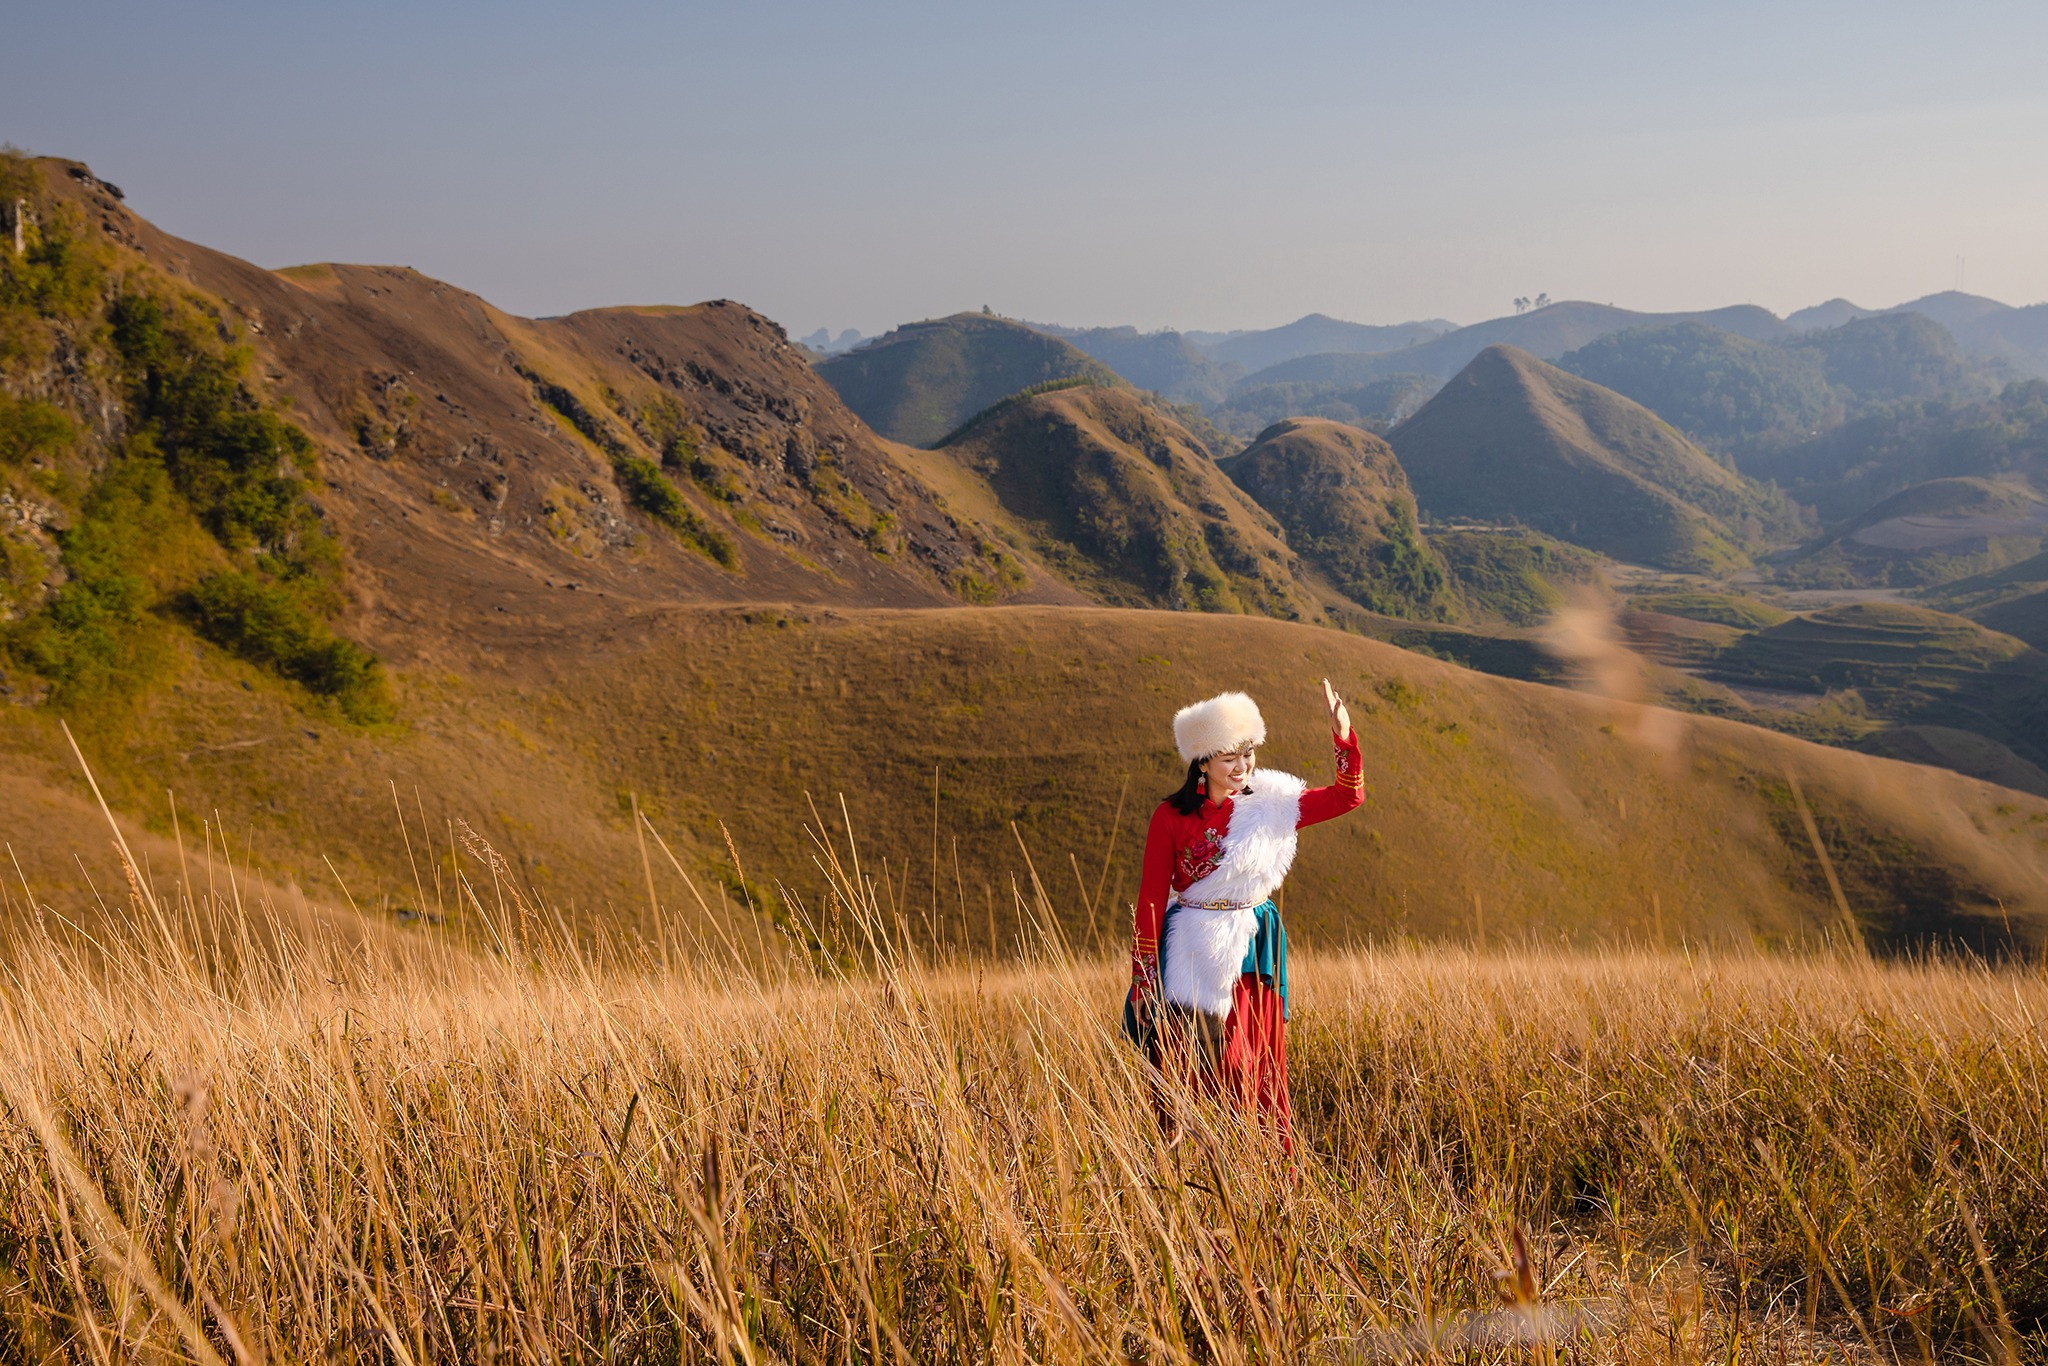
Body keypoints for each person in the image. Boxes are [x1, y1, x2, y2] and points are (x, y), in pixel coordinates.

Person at [1123, 680, 1362, 1147]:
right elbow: (1152, 899)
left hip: (1253, 945)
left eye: (1247, 752)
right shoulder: (1170, 817)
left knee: (1253, 1062)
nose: (1242, 765)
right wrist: (1144, 974)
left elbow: (1345, 797)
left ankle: (1259, 1163)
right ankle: (1191, 1162)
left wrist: (1343, 736)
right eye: (1229, 756)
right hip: (1192, 949)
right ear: (1203, 761)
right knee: (1197, 1060)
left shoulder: (1268, 803)